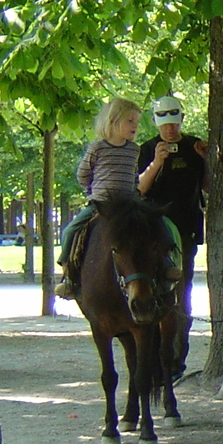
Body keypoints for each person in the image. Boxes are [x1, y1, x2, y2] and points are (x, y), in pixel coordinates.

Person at [136, 96, 207, 377]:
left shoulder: (194, 146)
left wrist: (206, 160)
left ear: (181, 121)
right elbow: (140, 190)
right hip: (154, 232)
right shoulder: (146, 149)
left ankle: (176, 359)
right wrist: (156, 162)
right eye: (164, 125)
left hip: (185, 232)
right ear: (155, 123)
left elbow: (209, 187)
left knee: (181, 293)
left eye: (174, 124)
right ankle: (152, 356)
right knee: (151, 291)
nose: (170, 130)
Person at [55, 97, 148, 300]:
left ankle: (167, 267)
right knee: (71, 230)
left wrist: (134, 193)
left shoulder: (134, 149)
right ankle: (68, 275)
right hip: (101, 205)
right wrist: (93, 191)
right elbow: (83, 174)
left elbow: (133, 176)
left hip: (128, 205)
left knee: (156, 224)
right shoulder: (98, 148)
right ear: (113, 121)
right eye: (130, 121)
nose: (135, 126)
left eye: (136, 122)